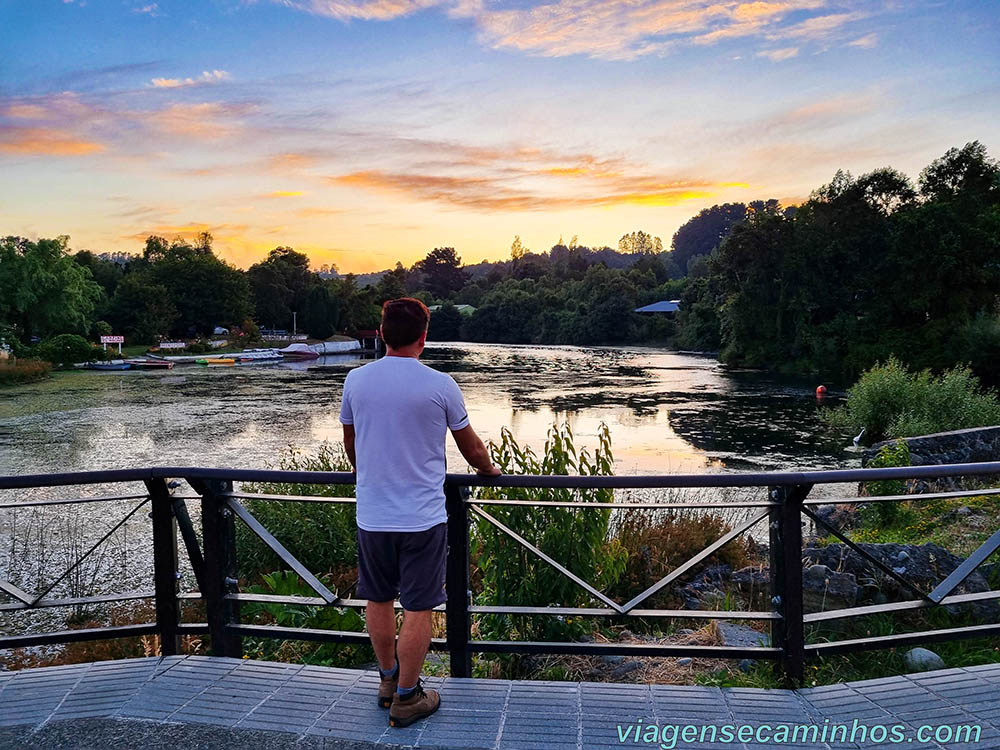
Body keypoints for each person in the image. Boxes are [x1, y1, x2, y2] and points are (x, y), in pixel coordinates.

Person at [339, 297, 500, 728]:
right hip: (423, 517)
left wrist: (366, 474)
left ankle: (388, 682)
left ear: (382, 332)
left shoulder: (356, 380)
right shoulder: (441, 384)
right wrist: (490, 471)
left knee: (377, 598)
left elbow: (351, 442)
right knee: (419, 607)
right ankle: (409, 698)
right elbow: (472, 449)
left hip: (372, 513)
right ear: (423, 336)